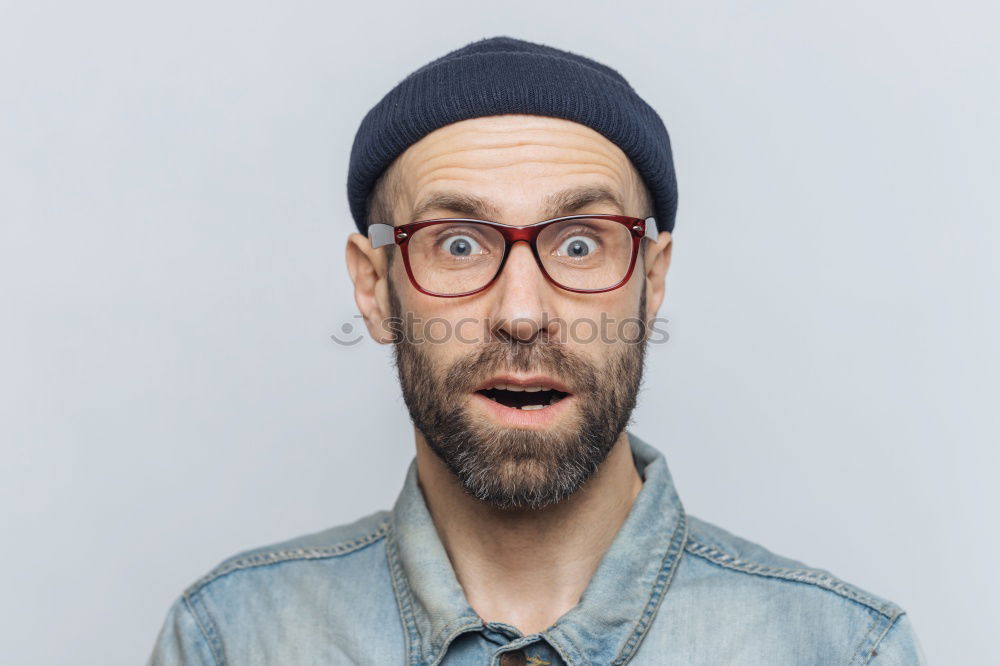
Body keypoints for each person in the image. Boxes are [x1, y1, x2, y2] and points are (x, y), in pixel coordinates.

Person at [148, 36, 926, 665]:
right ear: (373, 288)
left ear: (651, 284)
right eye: (457, 243)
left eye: (582, 243)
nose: (523, 313)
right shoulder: (231, 640)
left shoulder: (841, 651)